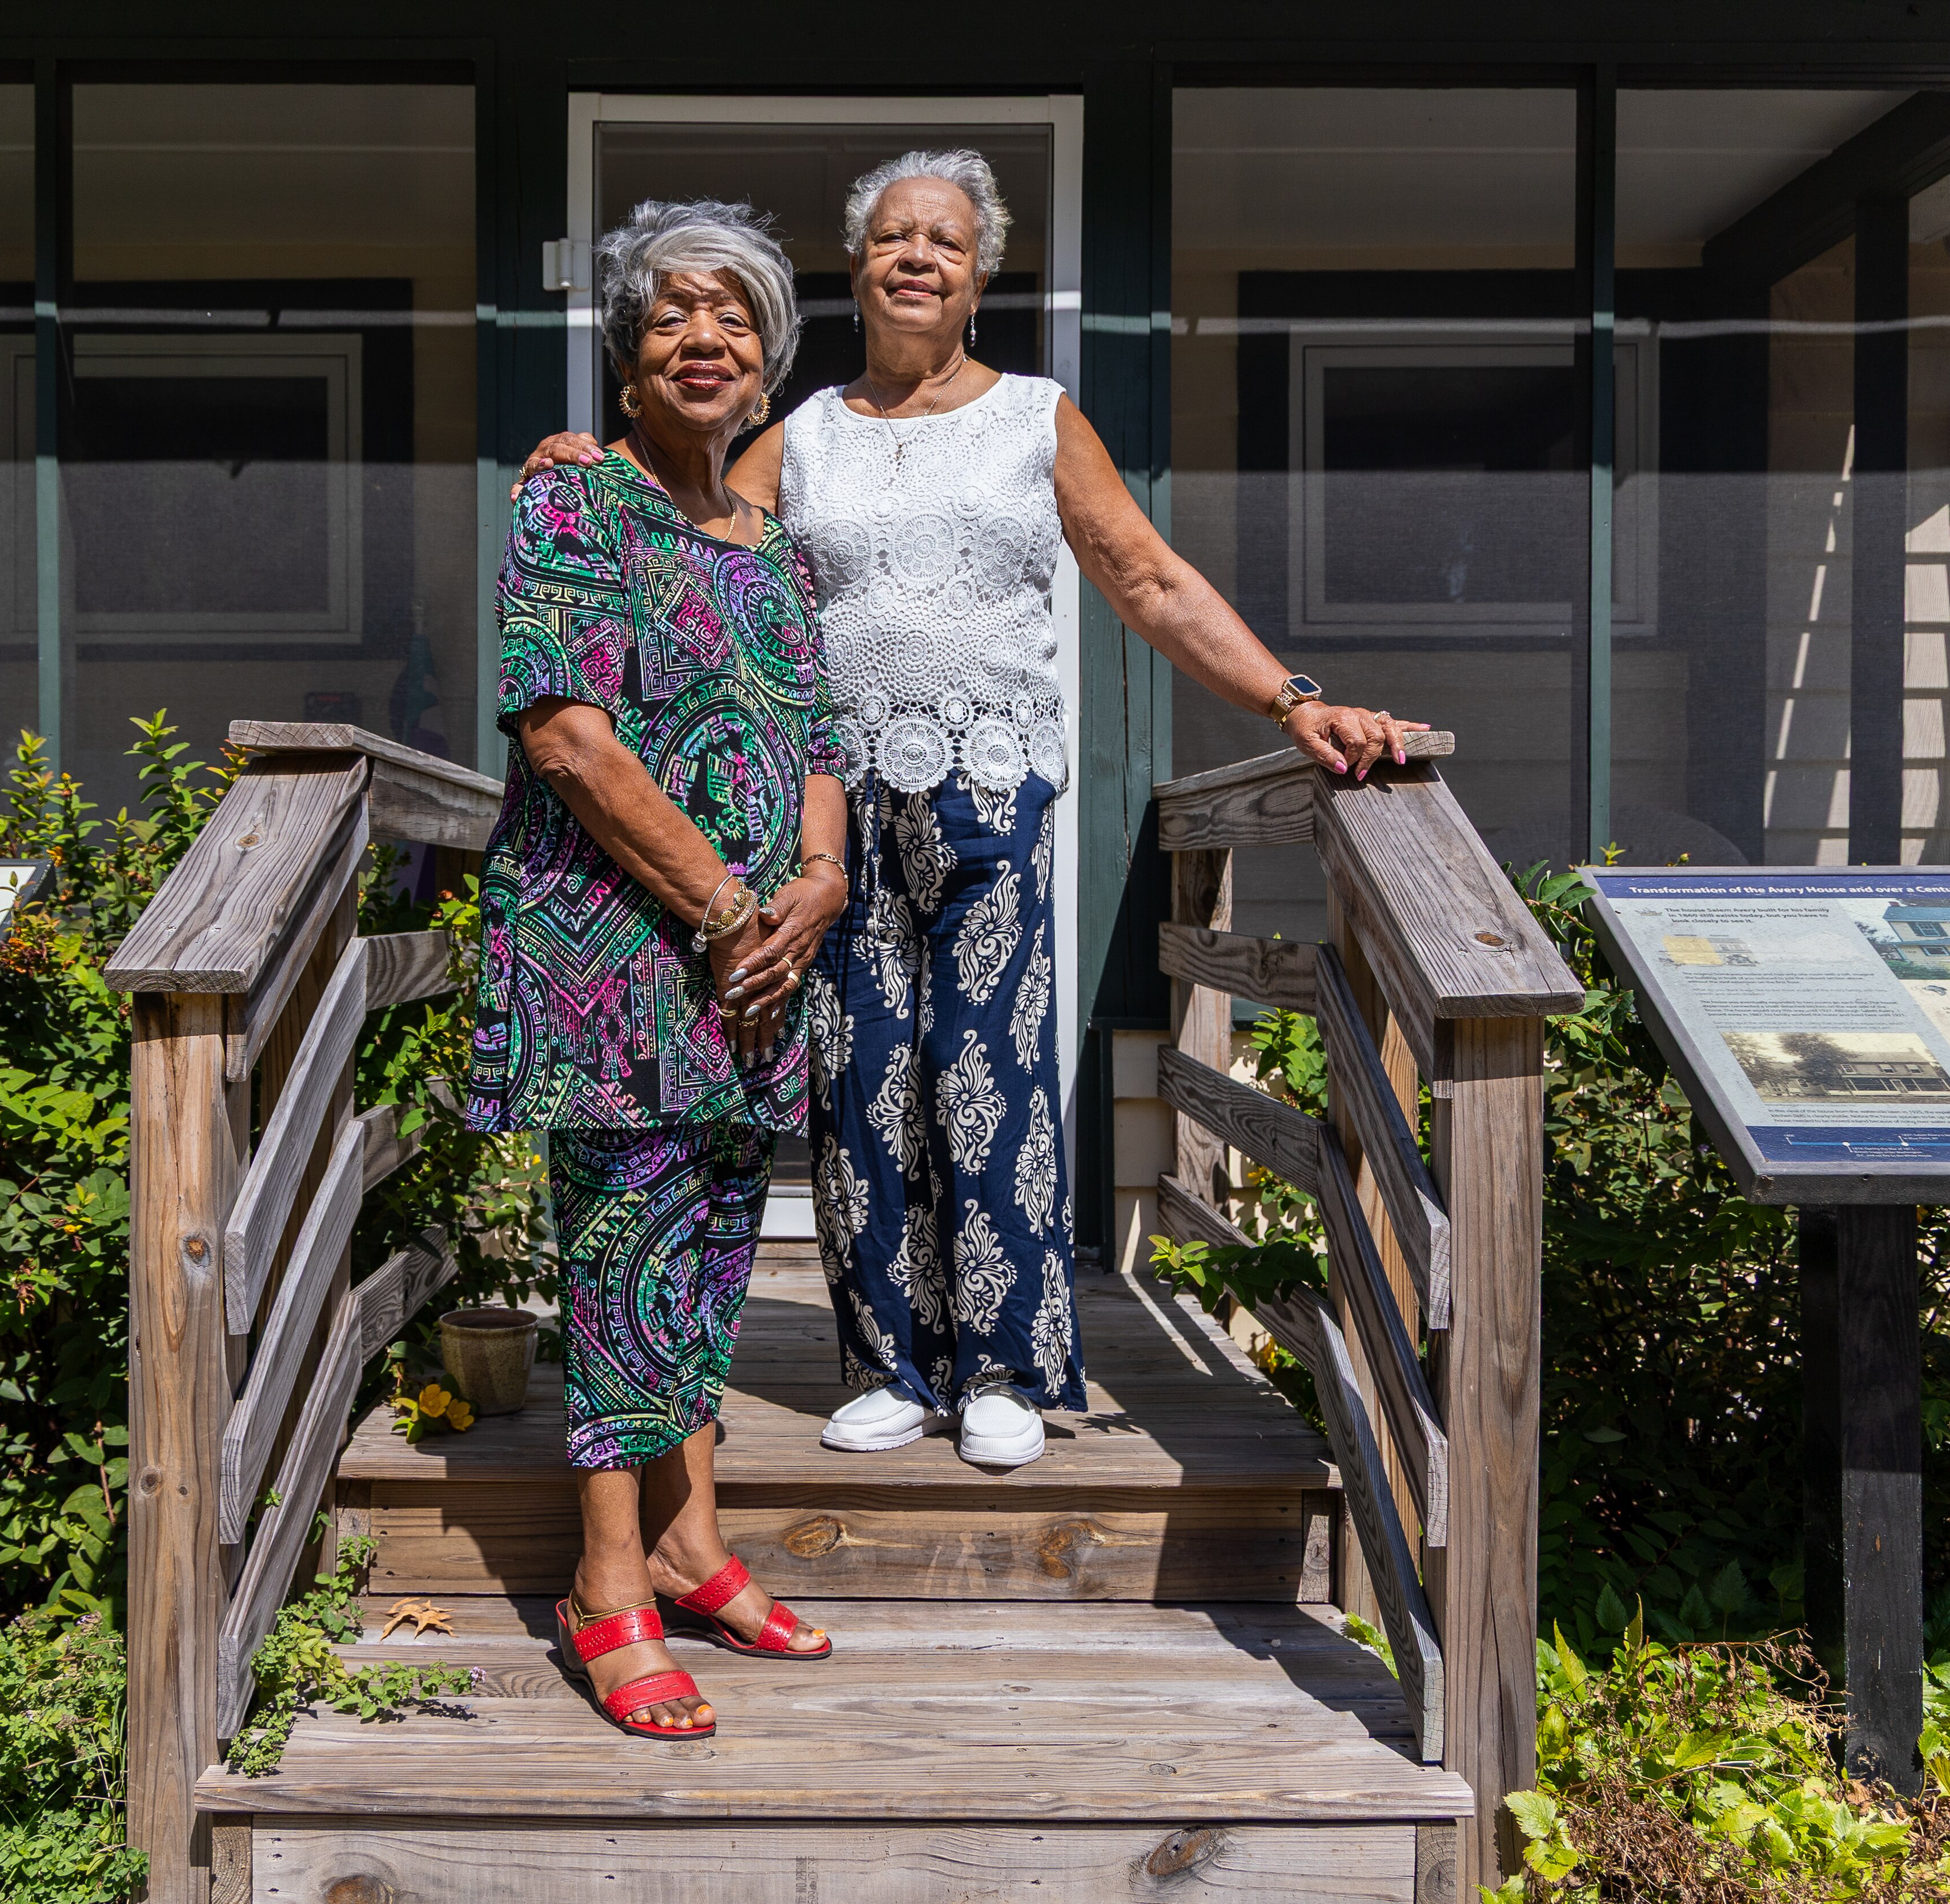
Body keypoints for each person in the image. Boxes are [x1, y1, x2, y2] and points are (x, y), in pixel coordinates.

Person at [517, 151, 1420, 1473]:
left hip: (991, 786)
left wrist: (1294, 703)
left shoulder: (1035, 418)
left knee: (986, 1072)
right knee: (862, 1079)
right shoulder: (805, 429)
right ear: (859, 270)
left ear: (981, 277)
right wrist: (584, 466)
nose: (914, 256)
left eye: (942, 239)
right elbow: (693, 528)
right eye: (890, 237)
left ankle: (1003, 1362)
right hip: (834, 808)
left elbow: (1149, 580)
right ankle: (890, 1357)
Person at [468, 199, 849, 1739]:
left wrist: (814, 883)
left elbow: (822, 742)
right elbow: (563, 730)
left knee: (707, 1252)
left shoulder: (781, 554)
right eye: (674, 318)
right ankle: (606, 1580)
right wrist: (720, 905)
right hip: (620, 955)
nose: (707, 340)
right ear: (629, 361)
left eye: (737, 319)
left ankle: (693, 1540)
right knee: (623, 1256)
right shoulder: (575, 511)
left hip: (755, 962)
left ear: (765, 366)